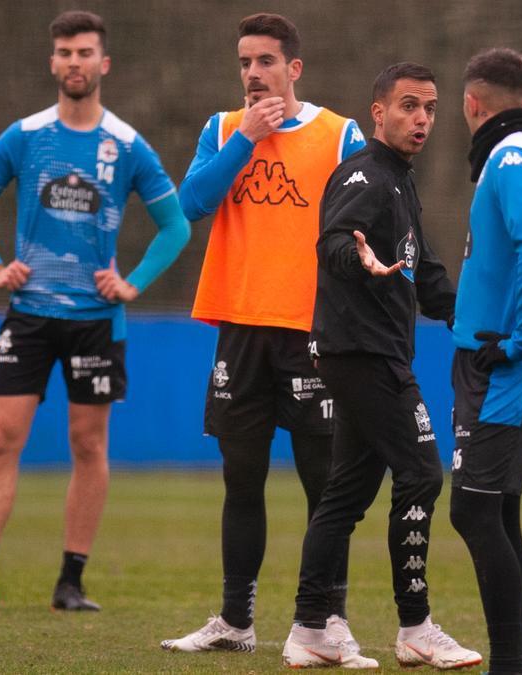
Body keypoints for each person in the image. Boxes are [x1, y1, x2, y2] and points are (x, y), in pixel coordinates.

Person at [0, 10, 190, 611]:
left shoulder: (127, 144)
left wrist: (133, 282)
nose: (74, 62)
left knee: (88, 445)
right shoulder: (23, 136)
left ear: (103, 63)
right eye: (64, 52)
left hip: (96, 319)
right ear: (52, 62)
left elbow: (174, 225)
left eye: (85, 52)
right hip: (29, 315)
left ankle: (71, 583)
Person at [159, 13, 366, 654]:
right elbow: (191, 204)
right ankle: (235, 622)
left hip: (312, 332)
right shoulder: (223, 130)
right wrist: (244, 140)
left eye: (266, 61)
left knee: (325, 487)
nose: (253, 73)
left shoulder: (340, 136)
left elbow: (370, 219)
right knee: (240, 480)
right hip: (241, 328)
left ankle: (327, 620)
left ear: (293, 68)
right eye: (245, 62)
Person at [279, 62, 481, 671]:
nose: (421, 119)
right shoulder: (366, 175)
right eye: (408, 107)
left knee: (343, 496)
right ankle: (415, 625)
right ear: (379, 111)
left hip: (367, 353)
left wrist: (476, 324)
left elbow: (428, 278)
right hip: (363, 355)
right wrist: (356, 258)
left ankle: (309, 629)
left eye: (430, 109)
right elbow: (333, 243)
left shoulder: (399, 181)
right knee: (421, 473)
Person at [448, 48, 522, 675]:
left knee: (472, 509)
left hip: (505, 361)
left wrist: (517, 339)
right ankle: (511, 662)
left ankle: (509, 665)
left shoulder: (509, 157)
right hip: (501, 353)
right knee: (498, 509)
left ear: (473, 104)